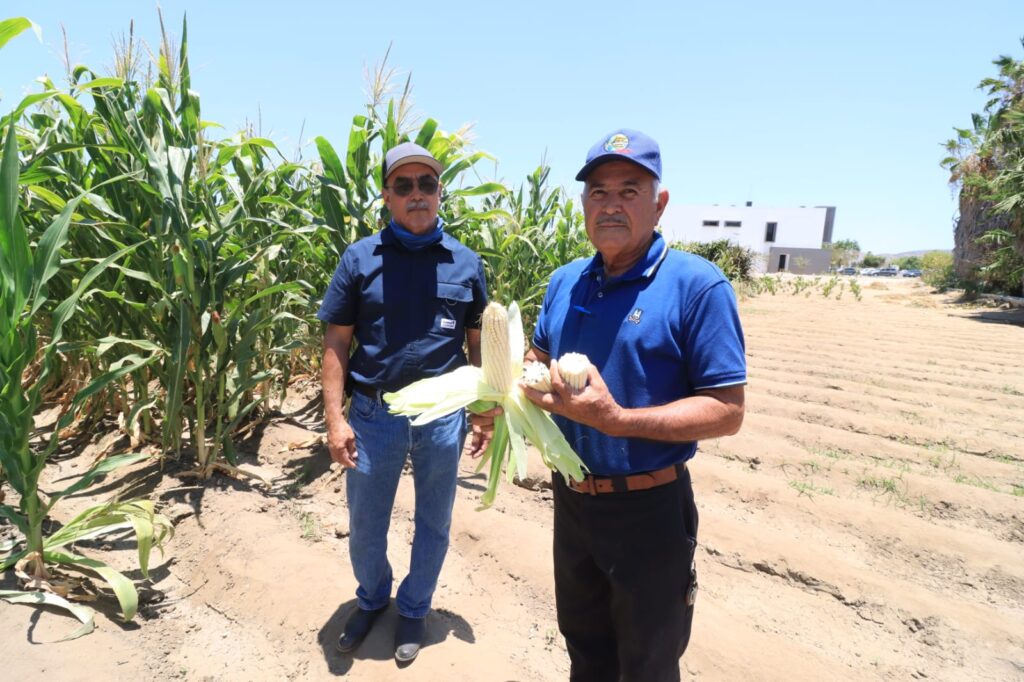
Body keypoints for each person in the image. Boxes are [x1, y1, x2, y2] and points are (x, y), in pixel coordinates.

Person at [522, 129, 747, 681]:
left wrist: (616, 421)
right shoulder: (565, 282)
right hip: (573, 503)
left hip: (650, 511)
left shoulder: (697, 286)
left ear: (659, 203)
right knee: (585, 649)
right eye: (598, 192)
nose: (611, 205)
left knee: (647, 663)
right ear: (583, 206)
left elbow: (727, 410)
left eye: (629, 189)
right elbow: (536, 357)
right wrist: (505, 394)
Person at [318, 142, 490, 663]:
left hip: (442, 417)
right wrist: (333, 418)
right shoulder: (360, 259)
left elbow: (479, 343)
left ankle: (414, 608)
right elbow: (336, 342)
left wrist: (482, 408)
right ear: (387, 195)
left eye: (427, 185)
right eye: (404, 185)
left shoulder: (466, 263)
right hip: (374, 415)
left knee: (434, 520)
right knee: (366, 521)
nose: (417, 194)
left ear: (440, 193)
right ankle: (372, 598)